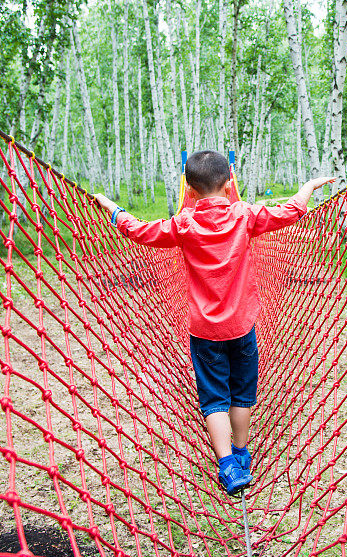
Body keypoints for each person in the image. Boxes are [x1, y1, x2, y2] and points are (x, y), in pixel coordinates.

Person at [96, 151, 334, 496]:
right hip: (242, 325)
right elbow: (290, 212)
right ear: (229, 184)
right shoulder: (244, 215)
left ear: (188, 192)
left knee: (213, 398)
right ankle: (241, 452)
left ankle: (227, 465)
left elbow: (140, 231)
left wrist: (112, 208)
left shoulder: (183, 223)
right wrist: (308, 186)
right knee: (242, 392)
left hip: (204, 330)